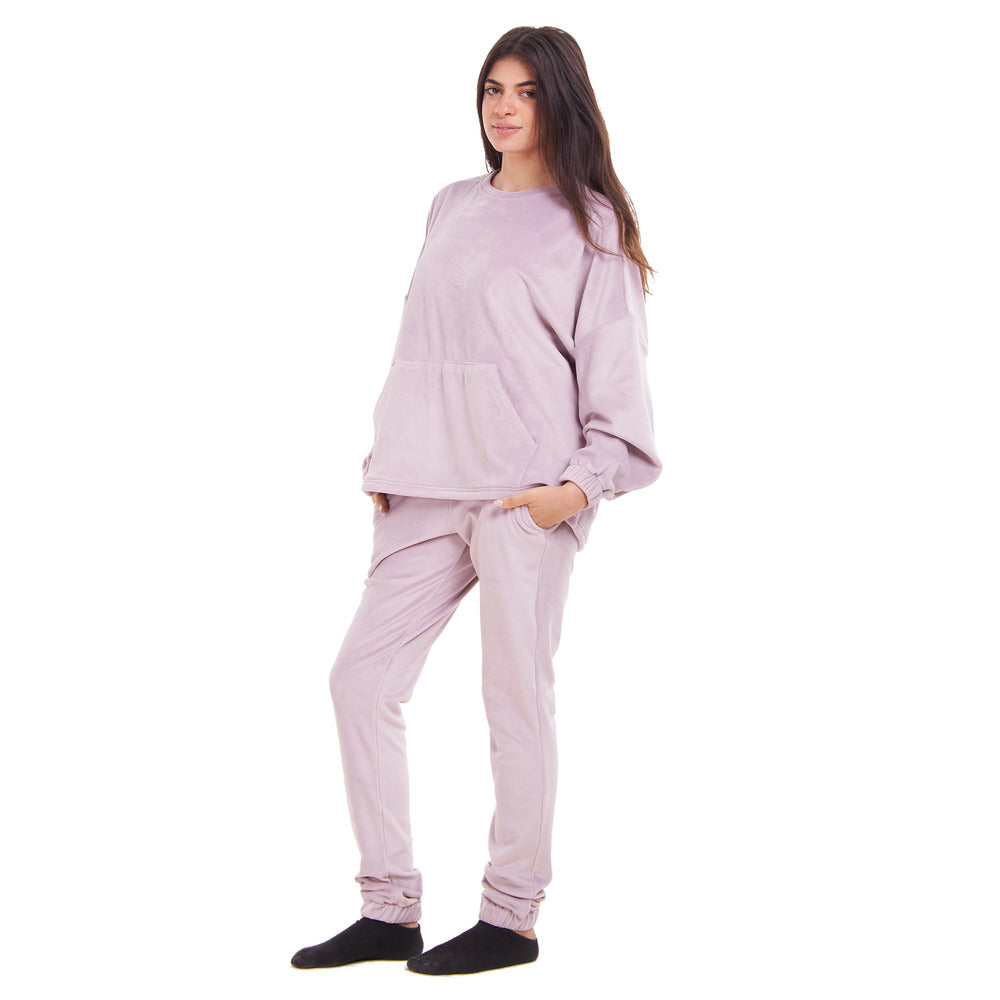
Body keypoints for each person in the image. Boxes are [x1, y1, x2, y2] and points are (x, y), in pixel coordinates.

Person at [291, 24, 662, 976]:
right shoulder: (451, 203)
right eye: (494, 88)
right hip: (422, 487)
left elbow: (618, 386)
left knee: (514, 704)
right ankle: (389, 910)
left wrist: (570, 491)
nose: (505, 106)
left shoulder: (592, 225)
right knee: (360, 681)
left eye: (527, 91)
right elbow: (422, 338)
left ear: (560, 102)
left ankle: (510, 919)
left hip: (520, 499)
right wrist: (388, 459)